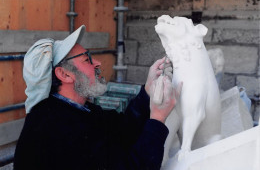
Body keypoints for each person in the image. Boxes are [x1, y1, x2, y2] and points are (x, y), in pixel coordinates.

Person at [14, 25, 181, 170]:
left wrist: (147, 91)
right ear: (64, 74)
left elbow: (122, 130)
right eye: (87, 60)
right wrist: (158, 119)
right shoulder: (56, 127)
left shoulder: (77, 109)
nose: (98, 63)